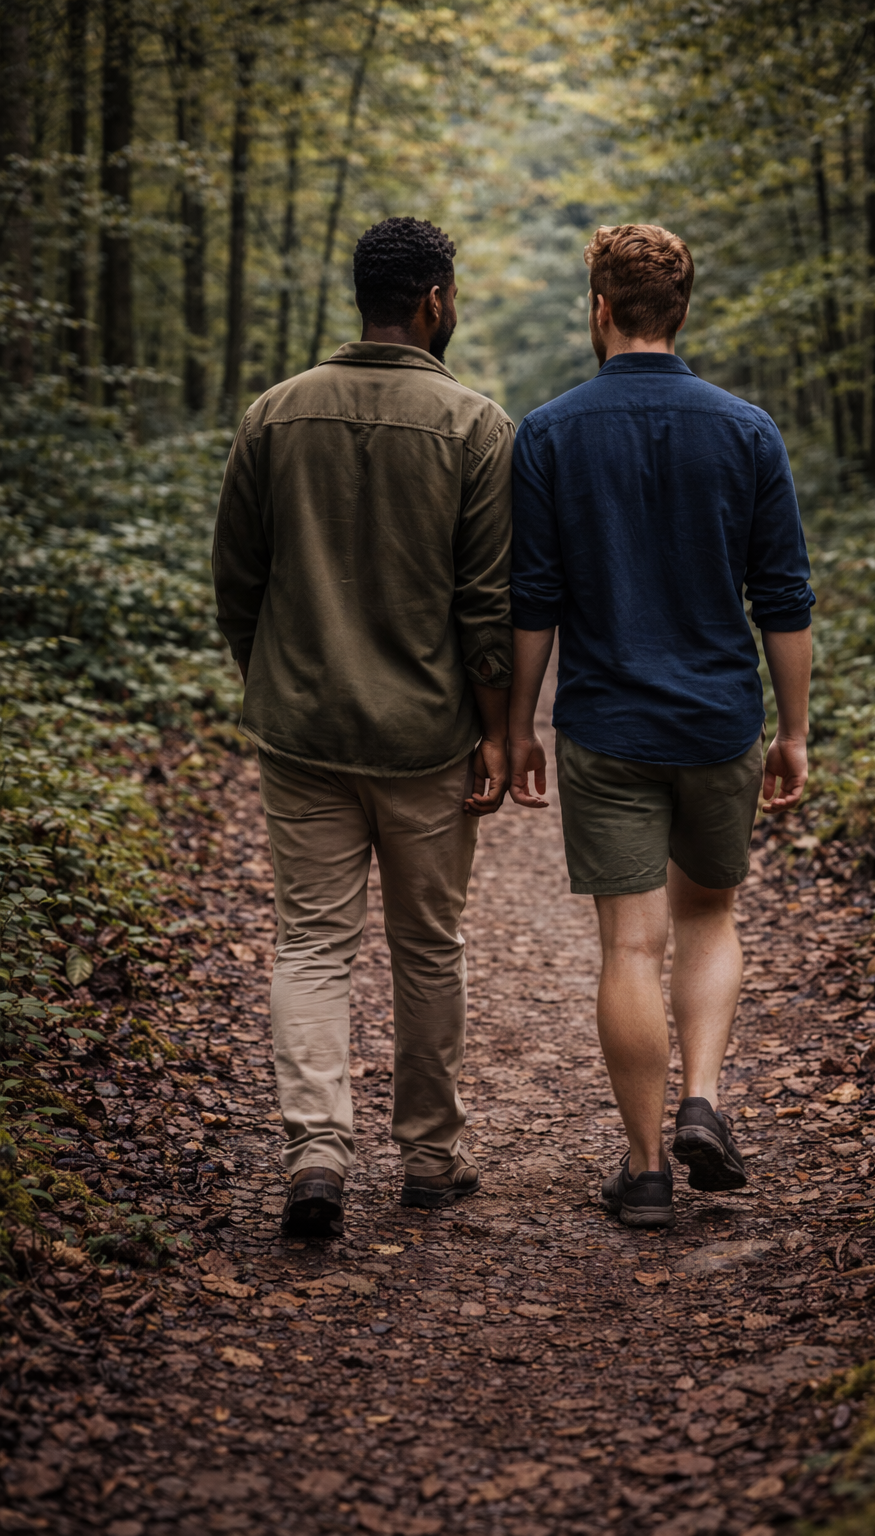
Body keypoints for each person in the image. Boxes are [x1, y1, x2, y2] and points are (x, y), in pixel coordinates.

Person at [508, 223, 813, 1228]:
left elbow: (534, 600)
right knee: (708, 916)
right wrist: (793, 731)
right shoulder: (747, 430)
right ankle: (703, 1102)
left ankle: (644, 1173)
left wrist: (518, 725)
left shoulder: (548, 433)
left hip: (606, 725)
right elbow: (783, 598)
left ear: (599, 308)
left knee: (630, 947)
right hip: (720, 719)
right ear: (681, 311)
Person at [212, 217, 513, 1235]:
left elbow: (237, 580)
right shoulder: (476, 425)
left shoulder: (273, 413)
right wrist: (496, 729)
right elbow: (486, 607)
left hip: (302, 732)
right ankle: (429, 1158)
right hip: (427, 736)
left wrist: (273, 678)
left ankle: (315, 1153)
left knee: (310, 946)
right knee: (427, 947)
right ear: (434, 301)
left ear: (363, 297)